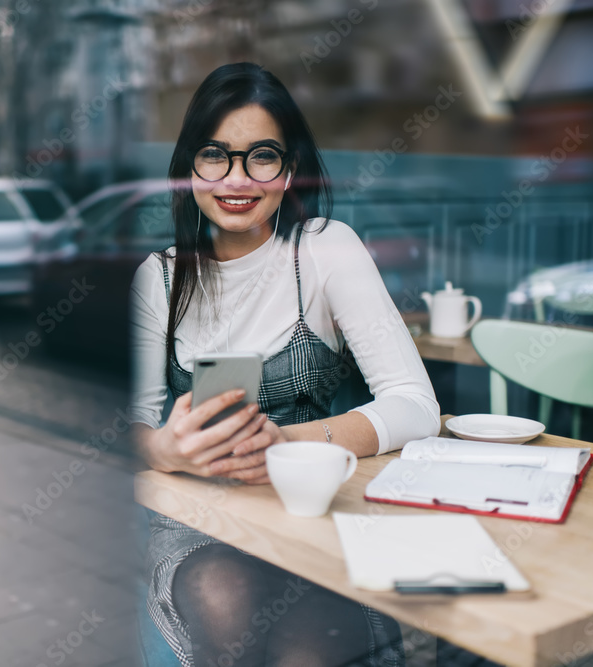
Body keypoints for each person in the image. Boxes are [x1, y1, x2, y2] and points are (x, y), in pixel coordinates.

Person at [128, 62, 441, 667]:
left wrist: (284, 444)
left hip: (315, 515)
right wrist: (168, 450)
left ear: (289, 169)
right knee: (226, 605)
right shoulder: (159, 279)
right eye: (215, 155)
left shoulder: (325, 249)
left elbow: (416, 405)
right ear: (188, 168)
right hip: (203, 524)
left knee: (309, 653)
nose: (236, 179)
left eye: (261, 156)